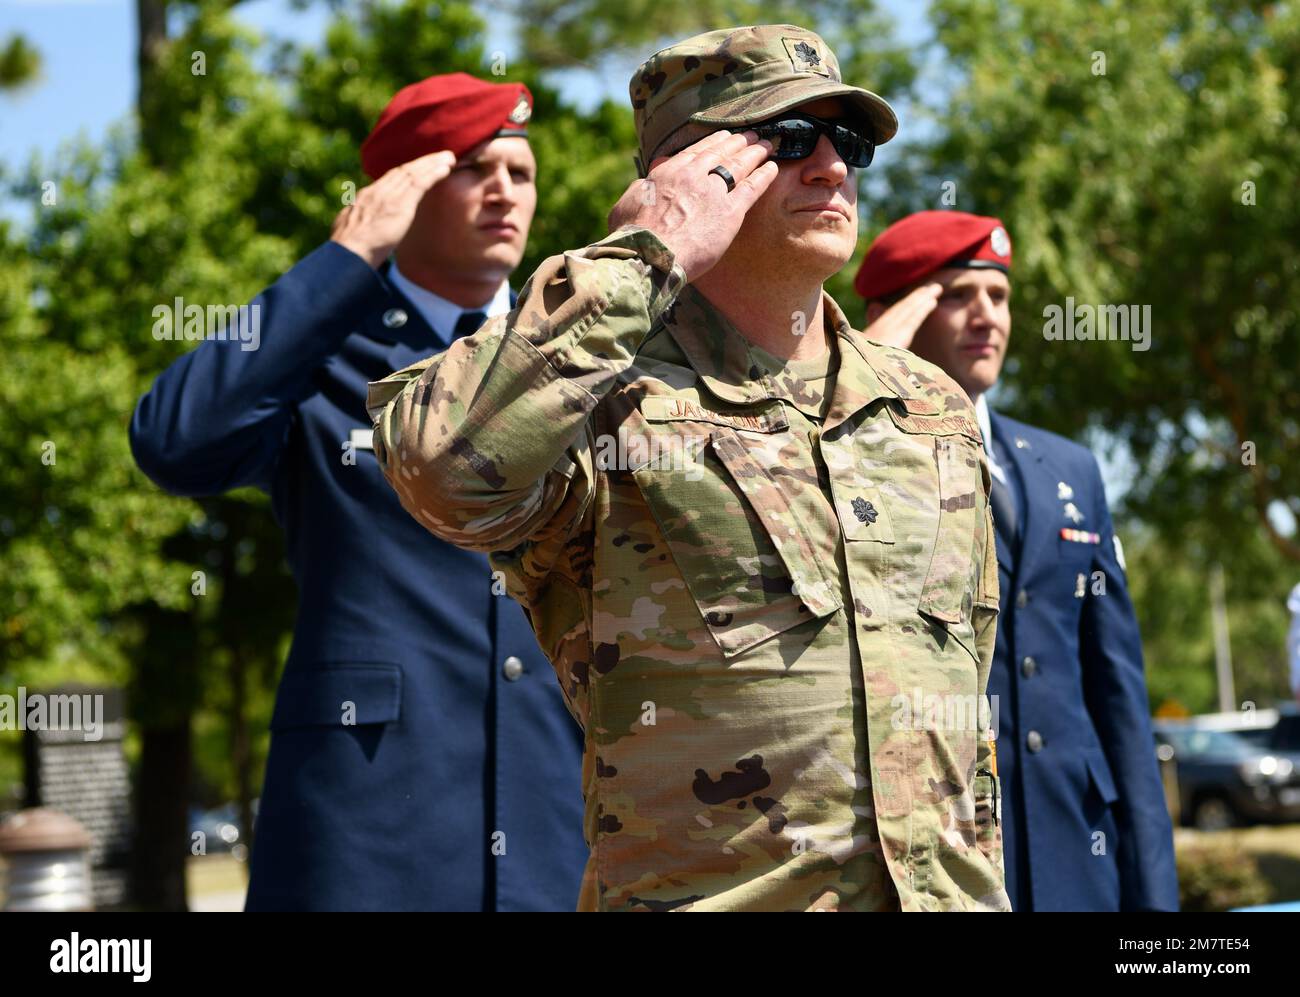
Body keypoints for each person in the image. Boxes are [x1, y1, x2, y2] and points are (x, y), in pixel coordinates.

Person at [369, 26, 1009, 912]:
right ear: (689, 169)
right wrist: (647, 251)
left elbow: (967, 731)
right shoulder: (600, 394)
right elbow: (440, 473)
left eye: (846, 142)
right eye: (788, 139)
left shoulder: (929, 409)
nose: (831, 167)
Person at [129, 73, 586, 911]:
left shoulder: (574, 355)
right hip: (368, 836)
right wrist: (345, 260)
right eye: (473, 167)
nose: (504, 191)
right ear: (400, 190)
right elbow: (174, 442)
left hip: (561, 827)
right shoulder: (319, 355)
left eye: (521, 174)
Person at [854, 210, 1179, 911]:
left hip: (1078, 853)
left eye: (998, 298)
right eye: (957, 294)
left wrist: (1154, 899)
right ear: (896, 312)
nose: (987, 316)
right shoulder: (858, 466)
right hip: (938, 857)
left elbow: (1117, 694)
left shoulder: (1071, 471)